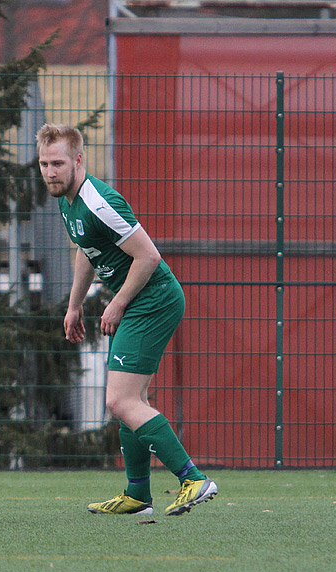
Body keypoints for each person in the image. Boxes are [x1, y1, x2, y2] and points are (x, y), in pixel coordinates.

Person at [36, 123, 218, 517]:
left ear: (78, 161)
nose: (50, 171)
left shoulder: (98, 201)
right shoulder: (69, 201)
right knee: (130, 401)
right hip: (138, 301)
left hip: (153, 299)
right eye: (44, 163)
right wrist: (74, 305)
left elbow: (148, 256)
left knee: (119, 400)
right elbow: (88, 249)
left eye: (58, 163)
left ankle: (192, 479)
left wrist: (116, 303)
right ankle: (138, 495)